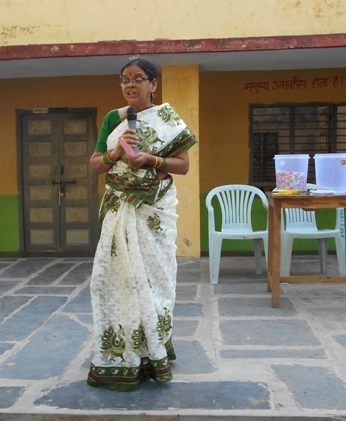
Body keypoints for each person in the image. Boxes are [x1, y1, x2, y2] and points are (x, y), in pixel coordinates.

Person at [87, 57, 198, 391]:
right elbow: (95, 165)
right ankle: (121, 351)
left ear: (154, 84)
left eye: (138, 78)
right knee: (113, 281)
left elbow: (182, 165)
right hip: (119, 209)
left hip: (153, 213)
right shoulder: (113, 118)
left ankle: (153, 349)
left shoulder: (167, 119)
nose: (130, 85)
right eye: (125, 79)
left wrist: (149, 159)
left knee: (153, 281)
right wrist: (116, 155)